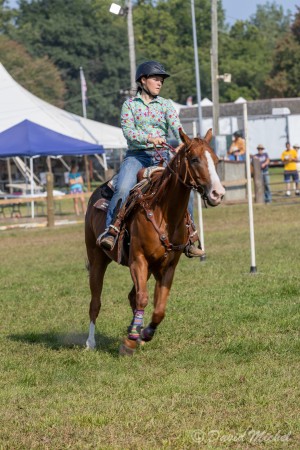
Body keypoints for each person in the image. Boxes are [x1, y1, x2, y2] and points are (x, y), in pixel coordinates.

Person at [97, 60, 204, 257]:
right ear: (143, 80)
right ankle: (112, 230)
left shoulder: (165, 105)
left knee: (184, 187)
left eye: (161, 80)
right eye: (156, 79)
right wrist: (149, 138)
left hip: (163, 157)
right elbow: (128, 132)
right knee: (122, 187)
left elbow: (176, 126)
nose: (160, 83)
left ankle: (189, 237)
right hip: (137, 156)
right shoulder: (129, 105)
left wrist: (183, 141)